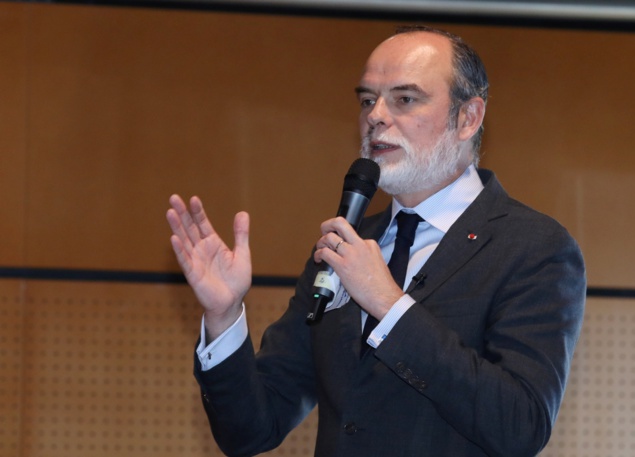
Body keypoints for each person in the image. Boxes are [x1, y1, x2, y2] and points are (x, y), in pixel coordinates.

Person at [166, 25, 585, 457]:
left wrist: (388, 303)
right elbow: (251, 430)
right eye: (368, 100)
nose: (376, 116)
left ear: (468, 118)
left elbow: (521, 426)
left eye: (405, 99)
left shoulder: (534, 247)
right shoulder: (346, 244)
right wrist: (224, 316)